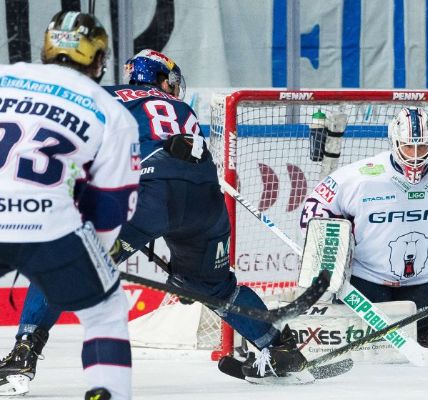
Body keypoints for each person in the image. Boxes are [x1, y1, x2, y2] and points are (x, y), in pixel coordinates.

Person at [0, 49, 311, 388]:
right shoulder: (183, 108)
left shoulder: (105, 96)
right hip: (205, 200)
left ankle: (23, 356)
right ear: (162, 80)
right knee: (214, 285)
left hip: (149, 193)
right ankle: (280, 348)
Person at [0, 11, 139, 399]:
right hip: (50, 227)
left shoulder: (4, 77)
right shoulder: (111, 111)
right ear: (98, 59)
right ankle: (106, 391)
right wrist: (98, 251)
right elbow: (111, 208)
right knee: (105, 312)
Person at [299, 107, 428, 347]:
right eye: (408, 146)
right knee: (361, 347)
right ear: (394, 142)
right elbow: (315, 208)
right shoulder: (359, 177)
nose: (415, 154)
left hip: (426, 281)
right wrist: (327, 253)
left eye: (422, 146)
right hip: (367, 279)